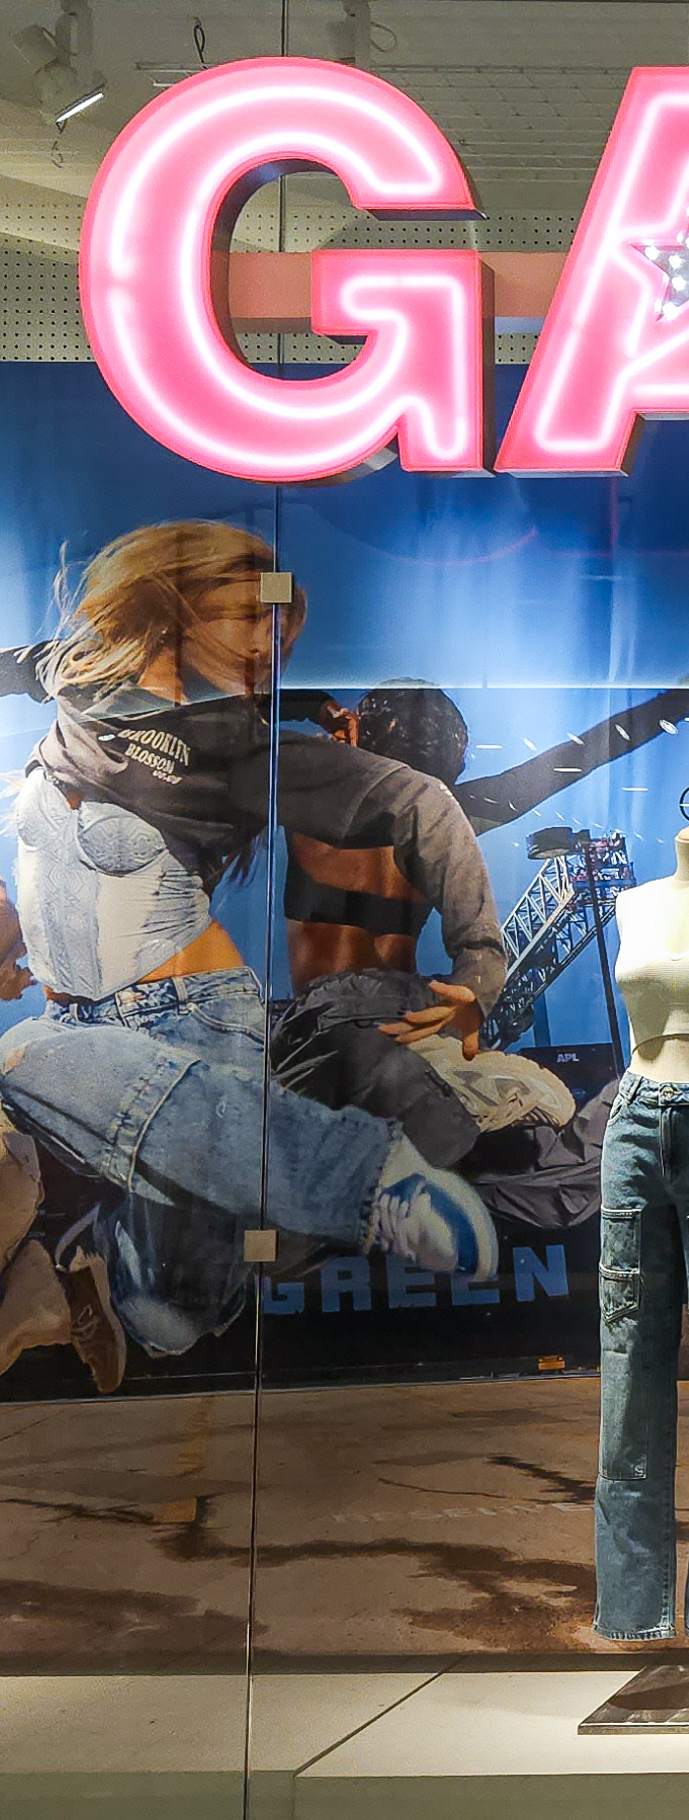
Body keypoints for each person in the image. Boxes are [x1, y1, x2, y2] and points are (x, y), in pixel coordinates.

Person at [0, 521, 505, 1375]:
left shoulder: (244, 752)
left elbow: (423, 803)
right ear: (180, 600)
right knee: (22, 1058)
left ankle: (123, 1250)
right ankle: (358, 1181)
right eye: (253, 619)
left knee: (170, 1318)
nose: (271, 648)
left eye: (285, 636)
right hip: (74, 1028)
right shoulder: (75, 675)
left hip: (188, 1022)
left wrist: (479, 967)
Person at [269, 649, 689, 1169]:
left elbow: (237, 725)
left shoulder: (305, 797)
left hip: (329, 1022)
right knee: (548, 1116)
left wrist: (320, 711)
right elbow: (589, 750)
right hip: (411, 1022)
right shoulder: (444, 813)